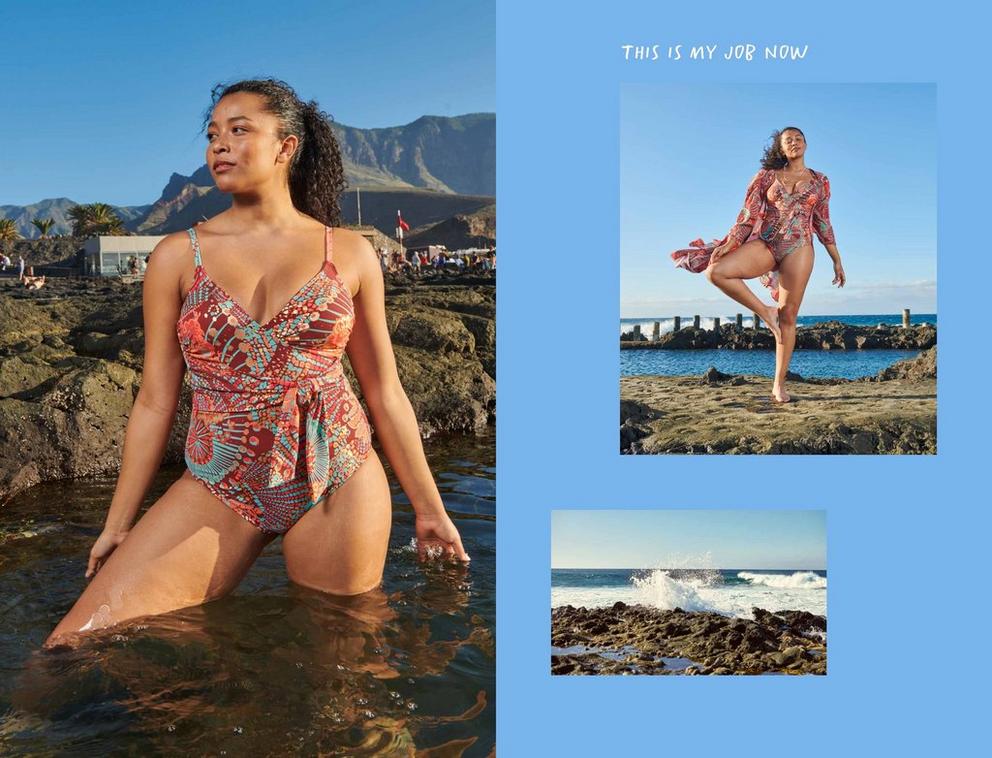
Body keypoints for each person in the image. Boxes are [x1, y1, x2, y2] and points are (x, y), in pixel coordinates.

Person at [44, 78, 469, 649]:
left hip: (336, 472)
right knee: (75, 644)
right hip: (224, 478)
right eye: (213, 133)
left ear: (286, 147)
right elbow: (154, 399)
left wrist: (430, 509)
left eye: (239, 130)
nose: (219, 144)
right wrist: (119, 524)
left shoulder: (348, 252)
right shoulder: (176, 256)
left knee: (343, 673)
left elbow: (384, 391)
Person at [670, 126, 846, 403]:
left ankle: (778, 384)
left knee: (788, 316)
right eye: (788, 140)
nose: (794, 142)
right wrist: (729, 244)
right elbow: (748, 214)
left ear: (806, 144)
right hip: (766, 243)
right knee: (717, 272)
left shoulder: (820, 180)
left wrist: (836, 259)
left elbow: (823, 221)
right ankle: (765, 311)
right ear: (781, 147)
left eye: (798, 138)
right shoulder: (765, 177)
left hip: (800, 247)